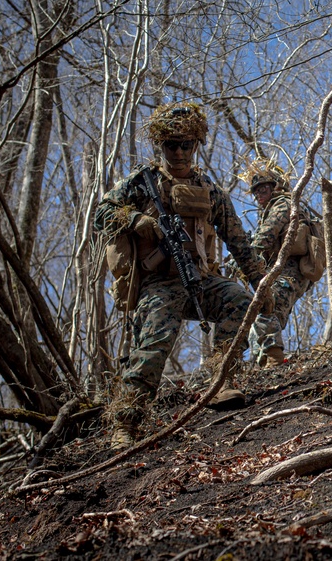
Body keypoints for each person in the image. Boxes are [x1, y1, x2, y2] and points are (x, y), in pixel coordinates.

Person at [94, 101, 266, 448]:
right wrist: (135, 220)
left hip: (199, 280)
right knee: (154, 344)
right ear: (160, 145)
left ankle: (221, 381)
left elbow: (237, 240)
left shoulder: (210, 190)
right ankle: (126, 422)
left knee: (239, 300)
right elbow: (102, 213)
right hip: (158, 284)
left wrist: (262, 283)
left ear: (196, 144)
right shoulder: (144, 182)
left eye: (186, 144)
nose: (178, 151)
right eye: (171, 144)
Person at [243, 158, 316, 368]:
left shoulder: (282, 204)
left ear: (275, 187)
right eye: (255, 192)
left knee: (265, 308)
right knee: (264, 314)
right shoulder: (273, 208)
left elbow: (265, 237)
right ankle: (263, 364)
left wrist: (244, 257)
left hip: (289, 273)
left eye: (263, 189)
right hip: (285, 274)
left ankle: (274, 361)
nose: (258, 195)